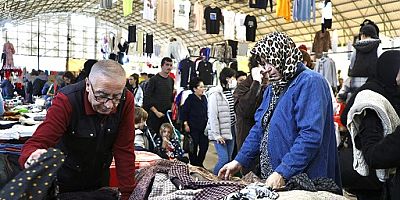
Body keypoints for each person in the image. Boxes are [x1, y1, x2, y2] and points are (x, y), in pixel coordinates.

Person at [218, 32, 341, 190]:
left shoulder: (310, 82)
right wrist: (239, 160)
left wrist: (284, 171)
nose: (266, 69)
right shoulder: (274, 87)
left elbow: (310, 136)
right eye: (263, 63)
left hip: (304, 179)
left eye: (270, 62)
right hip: (278, 178)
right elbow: (259, 128)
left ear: (283, 55)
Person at [19, 60, 136, 200]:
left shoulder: (126, 99)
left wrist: (128, 194)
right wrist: (31, 157)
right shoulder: (67, 100)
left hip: (99, 181)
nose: (109, 105)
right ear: (88, 85)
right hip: (66, 184)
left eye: (116, 97)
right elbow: (39, 141)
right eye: (101, 96)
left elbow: (124, 149)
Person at [341, 50, 400, 200]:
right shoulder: (373, 99)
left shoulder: (392, 92)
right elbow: (373, 155)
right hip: (370, 182)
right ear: (390, 69)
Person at [337, 21, 381, 103]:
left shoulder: (356, 48)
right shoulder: (378, 47)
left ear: (363, 35)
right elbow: (381, 64)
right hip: (372, 83)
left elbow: (352, 65)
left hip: (355, 84)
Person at [233, 55, 268, 154]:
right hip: (248, 146)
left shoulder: (271, 87)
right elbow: (245, 111)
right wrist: (256, 83)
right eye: (264, 64)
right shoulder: (243, 87)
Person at [206, 67, 237, 175]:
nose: (234, 80)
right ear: (227, 78)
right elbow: (212, 115)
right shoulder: (215, 94)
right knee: (223, 159)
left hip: (231, 129)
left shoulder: (230, 92)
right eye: (232, 78)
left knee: (228, 159)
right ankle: (213, 179)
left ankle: (223, 182)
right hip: (220, 132)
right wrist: (216, 135)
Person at [180, 77, 208, 167]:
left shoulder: (204, 98)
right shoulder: (190, 99)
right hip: (193, 127)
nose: (203, 89)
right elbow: (184, 112)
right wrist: (185, 124)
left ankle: (199, 164)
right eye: (200, 87)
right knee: (193, 147)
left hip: (203, 127)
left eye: (203, 87)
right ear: (194, 89)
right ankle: (194, 164)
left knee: (204, 147)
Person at [143, 57, 174, 133]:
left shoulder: (171, 80)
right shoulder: (154, 80)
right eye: (167, 65)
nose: (169, 67)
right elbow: (147, 98)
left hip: (166, 116)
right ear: (162, 66)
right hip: (154, 116)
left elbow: (171, 97)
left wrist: (172, 106)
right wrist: (156, 112)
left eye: (170, 65)